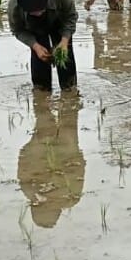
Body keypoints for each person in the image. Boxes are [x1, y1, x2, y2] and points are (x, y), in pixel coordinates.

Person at [17, 94, 85, 228]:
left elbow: (23, 161)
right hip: (64, 150)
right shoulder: (71, 197)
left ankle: (45, 96)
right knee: (66, 116)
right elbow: (80, 168)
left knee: (48, 117)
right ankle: (66, 94)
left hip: (51, 149)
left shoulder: (29, 190)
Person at [8, 0, 78, 91]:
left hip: (58, 18)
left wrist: (65, 40)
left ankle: (70, 89)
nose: (39, 13)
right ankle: (41, 93)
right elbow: (17, 30)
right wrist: (35, 46)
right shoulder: (14, 6)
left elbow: (71, 17)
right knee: (40, 56)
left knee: (65, 55)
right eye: (34, 12)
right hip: (33, 26)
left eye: (41, 10)